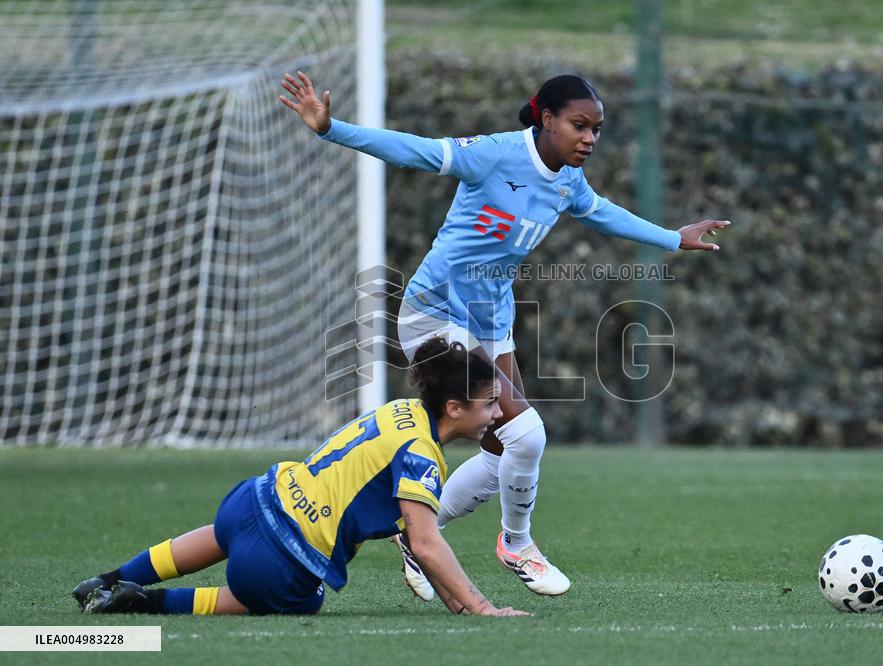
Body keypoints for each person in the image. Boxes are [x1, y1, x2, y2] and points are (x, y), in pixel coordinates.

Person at [280, 70, 730, 598]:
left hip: (491, 316)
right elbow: (415, 150)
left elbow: (601, 213)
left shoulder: (568, 179)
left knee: (504, 446)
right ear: (547, 120)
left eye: (597, 129)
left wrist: (672, 238)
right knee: (529, 433)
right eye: (579, 126)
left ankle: (419, 534)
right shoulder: (494, 154)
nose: (590, 139)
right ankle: (516, 544)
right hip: (435, 311)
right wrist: (331, 128)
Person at [71, 338, 528, 618]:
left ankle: (108, 578)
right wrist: (482, 608)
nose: (496, 412)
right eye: (490, 402)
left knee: (227, 535)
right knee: (300, 600)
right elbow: (425, 543)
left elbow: (419, 541)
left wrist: (457, 600)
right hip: (279, 560)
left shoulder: (401, 411)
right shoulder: (422, 454)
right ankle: (145, 603)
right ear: (454, 407)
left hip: (251, 500)